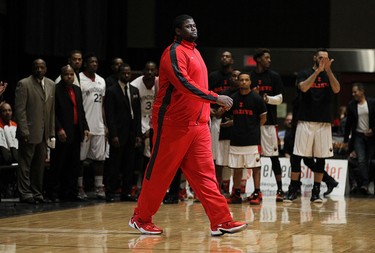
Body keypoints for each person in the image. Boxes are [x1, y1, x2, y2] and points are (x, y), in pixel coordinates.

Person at [129, 14, 247, 236]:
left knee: (206, 175)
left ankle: (221, 220)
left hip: (199, 125)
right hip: (173, 124)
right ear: (177, 31)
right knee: (160, 173)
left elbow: (195, 88)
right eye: (187, 26)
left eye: (194, 25)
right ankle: (141, 218)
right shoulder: (173, 53)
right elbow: (184, 85)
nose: (193, 28)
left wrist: (208, 111)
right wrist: (215, 97)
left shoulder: (195, 52)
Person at [284, 48, 340, 203]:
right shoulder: (304, 73)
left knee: (321, 157)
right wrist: (317, 72)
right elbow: (303, 87)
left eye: (326, 58)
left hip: (323, 121)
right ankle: (293, 187)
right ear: (315, 58)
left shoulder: (330, 75)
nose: (323, 60)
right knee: (297, 156)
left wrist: (327, 71)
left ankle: (316, 190)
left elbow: (336, 89)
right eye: (321, 57)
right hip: (305, 120)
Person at [45, 65, 90, 202]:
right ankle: (53, 193)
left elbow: (81, 111)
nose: (69, 77)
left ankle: (70, 192)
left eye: (71, 74)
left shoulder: (77, 89)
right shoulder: (56, 89)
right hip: (62, 132)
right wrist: (59, 129)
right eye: (66, 74)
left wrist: (85, 127)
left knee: (74, 164)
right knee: (59, 164)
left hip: (76, 131)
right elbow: (52, 112)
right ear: (62, 75)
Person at [14, 59, 55, 204]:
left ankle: (37, 193)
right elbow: (20, 110)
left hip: (43, 132)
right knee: (25, 165)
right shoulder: (24, 84)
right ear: (32, 68)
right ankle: (25, 193)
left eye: (42, 67)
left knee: (39, 166)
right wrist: (24, 130)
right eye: (36, 67)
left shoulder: (50, 84)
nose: (39, 69)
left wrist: (51, 132)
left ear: (46, 69)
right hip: (29, 131)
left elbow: (51, 110)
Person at [226, 72, 267, 205]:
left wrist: (252, 128)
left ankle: (257, 193)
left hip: (252, 140)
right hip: (236, 139)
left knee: (255, 167)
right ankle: (236, 194)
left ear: (250, 82)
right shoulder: (233, 99)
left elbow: (263, 118)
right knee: (237, 168)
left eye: (246, 80)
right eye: (241, 80)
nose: (243, 82)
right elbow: (232, 118)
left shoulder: (257, 99)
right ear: (238, 82)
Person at [250, 48, 285, 202]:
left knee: (273, 157)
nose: (269, 60)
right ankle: (257, 191)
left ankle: (280, 190)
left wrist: (266, 99)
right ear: (258, 59)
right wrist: (254, 97)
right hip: (253, 125)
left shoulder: (274, 76)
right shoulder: (249, 77)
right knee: (254, 159)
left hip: (270, 124)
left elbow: (280, 98)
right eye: (266, 57)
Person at [105, 63, 142, 202]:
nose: (126, 75)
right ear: (119, 74)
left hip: (132, 133)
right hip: (118, 133)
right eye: (124, 73)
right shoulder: (112, 91)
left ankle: (126, 192)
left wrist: (138, 134)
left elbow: (137, 114)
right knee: (115, 164)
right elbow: (110, 115)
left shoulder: (134, 90)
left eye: (128, 73)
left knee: (129, 164)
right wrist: (113, 134)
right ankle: (111, 191)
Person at [79, 53, 106, 199]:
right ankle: (80, 186)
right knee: (81, 159)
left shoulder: (102, 80)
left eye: (96, 62)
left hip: (99, 125)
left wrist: (105, 125)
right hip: (85, 126)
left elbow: (103, 105)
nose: (94, 64)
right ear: (85, 64)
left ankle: (99, 187)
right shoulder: (79, 78)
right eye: (91, 62)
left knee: (99, 159)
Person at [130, 61, 158, 194]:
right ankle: (135, 185)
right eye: (147, 70)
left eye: (152, 70)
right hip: (139, 120)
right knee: (138, 157)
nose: (150, 73)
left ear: (156, 71)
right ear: (143, 71)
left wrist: (151, 128)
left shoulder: (159, 83)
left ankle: (150, 185)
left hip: (154, 120)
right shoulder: (135, 84)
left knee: (151, 156)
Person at [208, 51, 235, 190]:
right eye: (222, 56)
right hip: (215, 120)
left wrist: (225, 110)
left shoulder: (236, 77)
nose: (224, 58)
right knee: (215, 154)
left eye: (227, 56)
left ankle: (229, 186)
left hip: (230, 121)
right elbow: (204, 95)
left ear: (232, 60)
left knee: (231, 156)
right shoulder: (213, 76)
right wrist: (209, 110)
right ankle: (215, 185)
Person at [343, 83, 375, 195]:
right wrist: (346, 140)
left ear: (361, 91)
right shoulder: (351, 105)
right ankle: (365, 184)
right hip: (358, 136)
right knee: (361, 160)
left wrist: (373, 130)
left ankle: (365, 182)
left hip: (371, 137)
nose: (353, 94)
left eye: (355, 92)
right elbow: (348, 124)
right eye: (352, 92)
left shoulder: (372, 103)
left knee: (369, 160)